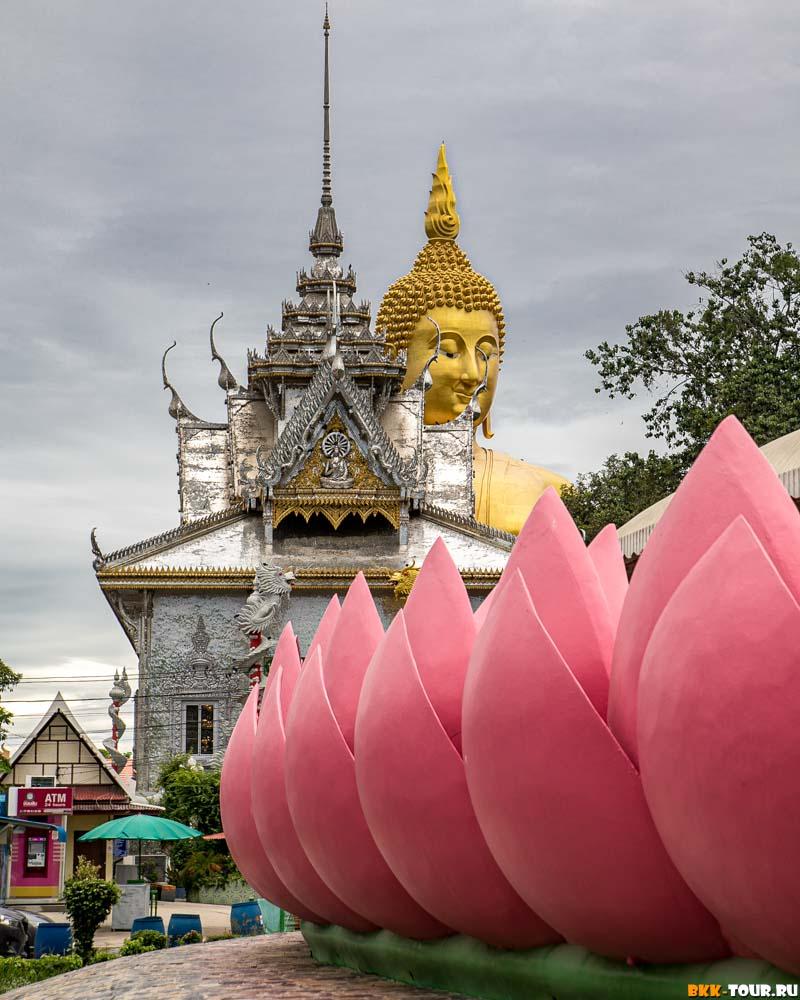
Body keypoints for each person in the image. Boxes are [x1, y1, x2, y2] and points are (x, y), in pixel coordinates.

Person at [376, 144, 568, 534]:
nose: (472, 374)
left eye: (486, 354)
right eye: (446, 351)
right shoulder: (348, 486)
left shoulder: (549, 493)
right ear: (392, 361)